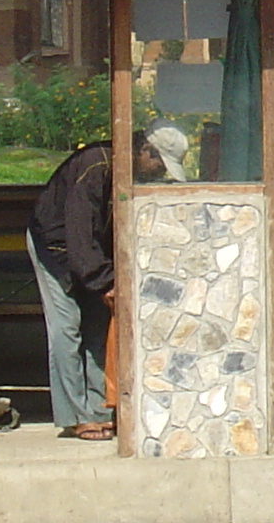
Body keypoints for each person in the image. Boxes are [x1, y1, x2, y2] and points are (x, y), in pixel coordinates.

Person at [27, 123, 186, 440]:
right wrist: (103, 281)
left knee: (98, 327)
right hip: (54, 245)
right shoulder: (95, 165)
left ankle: (100, 408)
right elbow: (79, 232)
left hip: (92, 254)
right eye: (159, 164)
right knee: (66, 327)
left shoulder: (132, 172)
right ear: (146, 152)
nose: (159, 172)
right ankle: (75, 415)